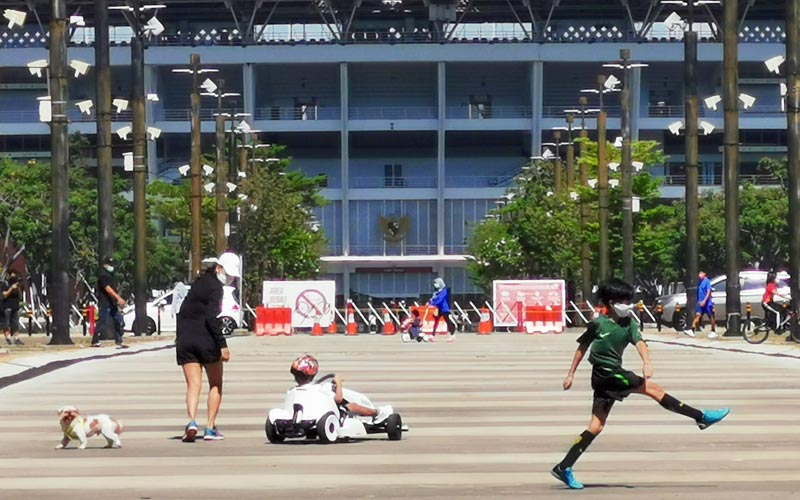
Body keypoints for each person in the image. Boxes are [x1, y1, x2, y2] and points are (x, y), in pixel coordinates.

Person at [551, 278, 730, 490]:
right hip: (606, 375)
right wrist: (570, 374)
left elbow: (640, 343)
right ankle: (700, 417)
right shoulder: (598, 324)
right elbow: (582, 348)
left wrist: (647, 362)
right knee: (654, 390)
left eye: (629, 300)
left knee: (596, 426)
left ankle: (564, 467)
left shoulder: (629, 324)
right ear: (610, 302)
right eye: (623, 300)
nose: (628, 304)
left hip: (609, 379)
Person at [176, 252, 240, 443]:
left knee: (193, 385)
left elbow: (183, 312)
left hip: (186, 339)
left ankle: (192, 422)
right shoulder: (216, 289)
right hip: (207, 341)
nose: (229, 278)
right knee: (215, 384)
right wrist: (223, 345)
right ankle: (210, 428)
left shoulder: (198, 283)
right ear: (218, 268)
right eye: (228, 274)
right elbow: (212, 319)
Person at [290, 354, 392, 424]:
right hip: (324, 414)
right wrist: (338, 383)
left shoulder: (293, 391)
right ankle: (377, 413)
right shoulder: (318, 389)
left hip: (303, 414)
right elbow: (338, 399)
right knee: (352, 406)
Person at [91, 258, 128, 349]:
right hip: (105, 302)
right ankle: (95, 340)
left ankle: (119, 341)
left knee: (119, 320)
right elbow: (108, 288)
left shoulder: (111, 275)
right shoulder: (103, 275)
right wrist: (118, 298)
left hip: (112, 303)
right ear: (104, 265)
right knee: (102, 322)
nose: (112, 266)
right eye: (109, 264)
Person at [688, 271, 716, 339]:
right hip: (700, 302)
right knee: (698, 315)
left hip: (707, 303)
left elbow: (708, 292)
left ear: (704, 274)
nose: (699, 275)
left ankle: (713, 331)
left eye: (701, 273)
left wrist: (704, 301)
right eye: (699, 274)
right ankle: (692, 330)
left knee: (710, 316)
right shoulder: (700, 282)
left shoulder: (707, 281)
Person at [429, 278, 455, 342]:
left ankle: (452, 335)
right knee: (436, 321)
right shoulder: (436, 292)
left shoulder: (444, 291)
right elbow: (434, 299)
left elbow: (440, 300)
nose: (435, 284)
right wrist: (431, 302)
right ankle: (432, 335)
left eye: (436, 283)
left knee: (448, 321)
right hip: (438, 309)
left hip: (444, 309)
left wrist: (433, 303)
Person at [1, 269, 23, 345]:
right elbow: (4, 295)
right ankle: (8, 338)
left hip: (15, 306)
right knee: (7, 324)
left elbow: (20, 297)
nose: (14, 276)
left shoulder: (17, 284)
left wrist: (18, 289)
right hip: (7, 307)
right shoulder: (5, 284)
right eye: (13, 274)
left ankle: (16, 338)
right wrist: (11, 289)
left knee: (16, 323)